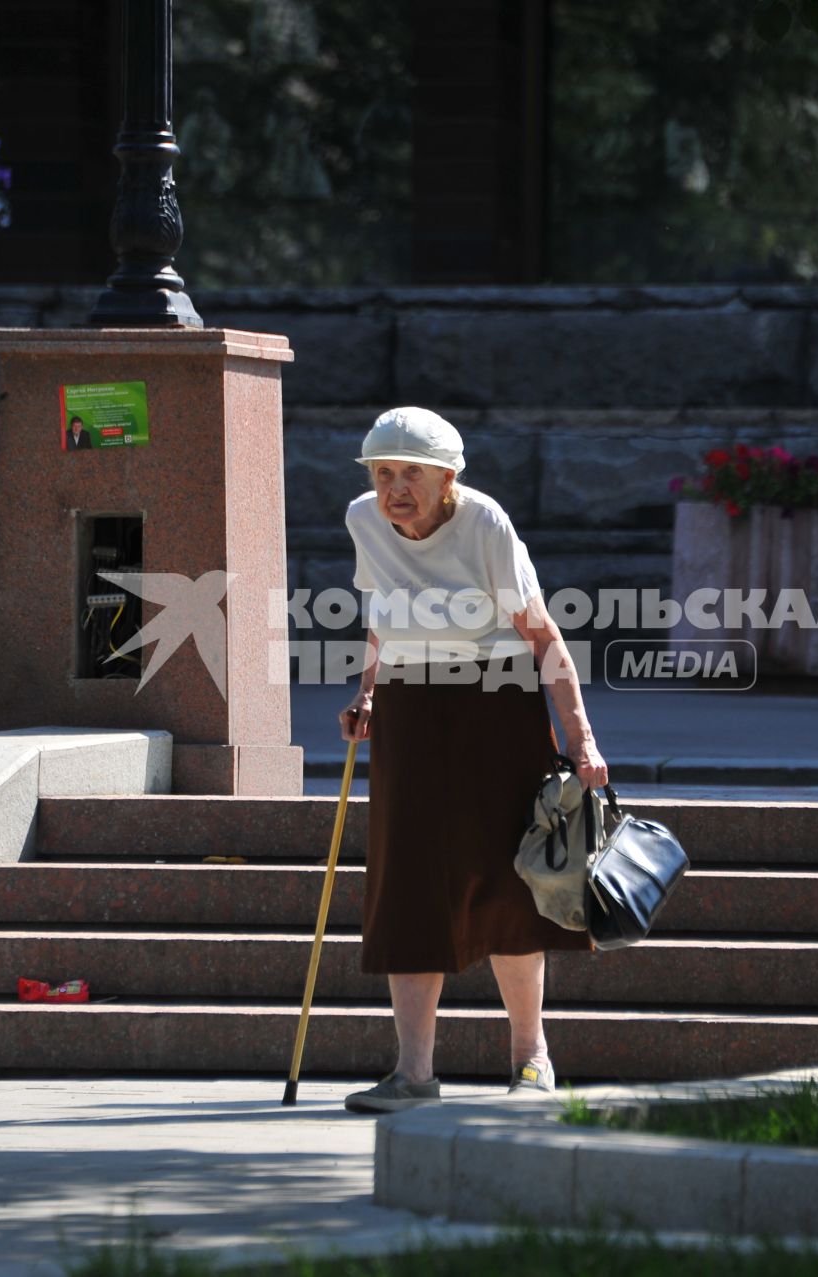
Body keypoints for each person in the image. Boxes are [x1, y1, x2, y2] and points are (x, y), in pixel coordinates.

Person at [336, 406, 607, 1113]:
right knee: (409, 885)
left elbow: (543, 633)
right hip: (409, 713)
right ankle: (414, 1074)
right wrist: (366, 692)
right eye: (384, 472)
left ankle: (531, 1057)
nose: (395, 487)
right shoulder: (363, 519)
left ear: (448, 476)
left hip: (497, 704)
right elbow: (381, 613)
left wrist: (580, 739)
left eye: (411, 474)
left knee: (511, 878)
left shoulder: (485, 523)